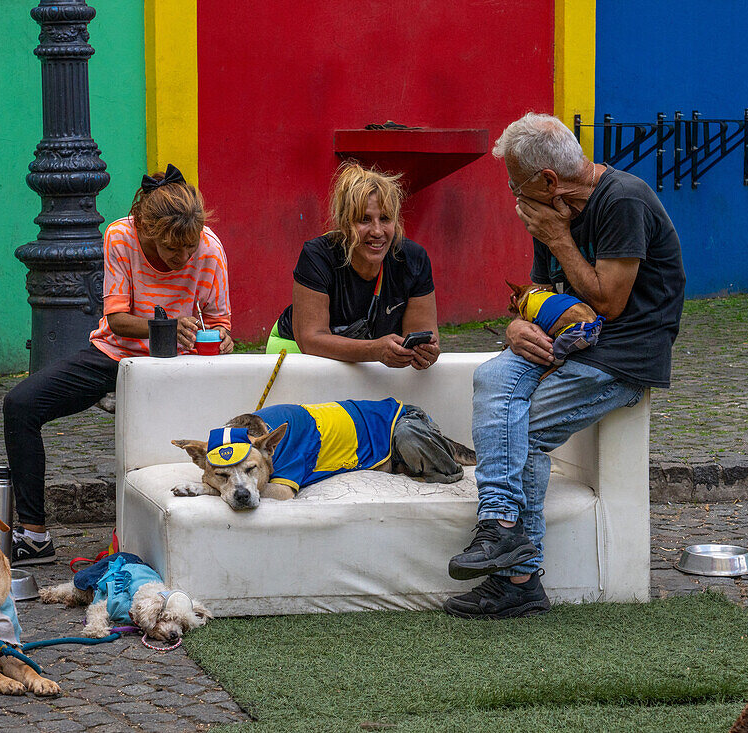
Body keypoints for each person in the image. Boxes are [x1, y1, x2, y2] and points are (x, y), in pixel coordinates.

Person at [443, 113, 685, 619]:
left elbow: (610, 303)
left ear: (548, 181)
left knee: (523, 430)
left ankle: (517, 573)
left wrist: (558, 238)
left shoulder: (623, 200)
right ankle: (503, 533)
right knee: (492, 375)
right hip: (569, 340)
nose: (513, 196)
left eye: (515, 184)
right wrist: (518, 324)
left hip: (623, 356)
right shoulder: (551, 213)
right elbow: (538, 294)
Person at [3, 164, 233, 565]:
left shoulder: (209, 248)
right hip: (114, 354)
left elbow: (219, 324)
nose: (182, 257)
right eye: (171, 249)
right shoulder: (121, 236)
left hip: (178, 367)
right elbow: (117, 319)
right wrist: (163, 325)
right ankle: (34, 534)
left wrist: (223, 337)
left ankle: (205, 524)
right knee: (20, 405)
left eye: (189, 247)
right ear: (148, 230)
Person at [267, 162, 440, 371]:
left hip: (372, 357)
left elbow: (421, 333)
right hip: (296, 350)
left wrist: (423, 352)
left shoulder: (414, 259)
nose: (377, 231)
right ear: (345, 223)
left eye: (385, 219)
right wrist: (374, 351)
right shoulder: (317, 255)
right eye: (364, 220)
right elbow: (310, 340)